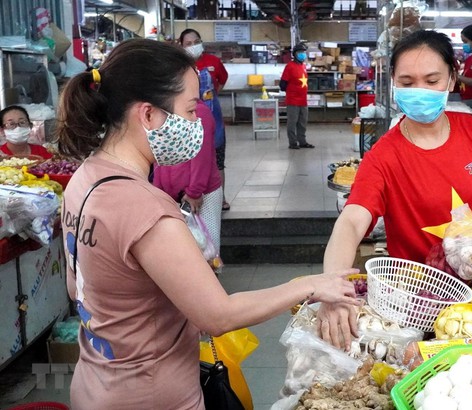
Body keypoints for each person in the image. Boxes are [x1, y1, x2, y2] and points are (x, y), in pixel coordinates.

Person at [55, 39, 359, 409]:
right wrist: (309, 284)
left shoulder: (85, 178)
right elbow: (218, 315)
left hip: (95, 382)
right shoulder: (146, 208)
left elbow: (77, 288)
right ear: (148, 115)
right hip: (153, 396)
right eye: (189, 109)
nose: (197, 121)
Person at [316, 30, 472, 349]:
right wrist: (333, 287)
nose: (420, 90)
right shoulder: (384, 155)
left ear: (452, 78)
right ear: (393, 81)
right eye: (407, 81)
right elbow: (351, 222)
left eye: (431, 80)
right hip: (421, 306)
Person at [153, 99, 223, 253]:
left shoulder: (199, 112)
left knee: (207, 251)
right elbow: (158, 155)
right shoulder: (162, 112)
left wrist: (194, 191)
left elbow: (201, 156)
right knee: (181, 250)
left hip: (202, 194)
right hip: (171, 196)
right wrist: (158, 191)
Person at [178, 29, 231, 210]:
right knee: (193, 161)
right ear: (182, 46)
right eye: (189, 44)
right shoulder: (179, 66)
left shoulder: (213, 62)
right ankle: (190, 194)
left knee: (218, 161)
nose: (194, 46)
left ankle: (221, 198)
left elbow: (222, 80)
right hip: (188, 122)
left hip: (214, 121)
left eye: (196, 41)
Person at [280, 43, 315, 149]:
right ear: (294, 54)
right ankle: (293, 142)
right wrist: (292, 91)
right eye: (300, 53)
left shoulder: (303, 66)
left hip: (303, 100)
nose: (302, 55)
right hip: (293, 100)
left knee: (302, 123)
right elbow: (282, 84)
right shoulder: (290, 66)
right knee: (292, 122)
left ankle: (302, 141)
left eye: (304, 53)